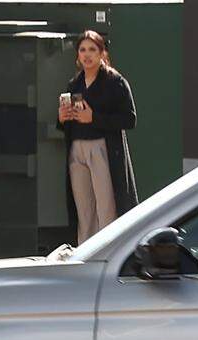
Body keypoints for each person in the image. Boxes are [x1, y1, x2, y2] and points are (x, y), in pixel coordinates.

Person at [57, 30, 138, 245]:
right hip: (77, 151)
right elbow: (69, 123)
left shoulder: (115, 82)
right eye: (82, 50)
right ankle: (85, 255)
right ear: (77, 56)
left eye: (92, 49)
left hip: (102, 149)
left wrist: (94, 118)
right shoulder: (74, 84)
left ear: (102, 53)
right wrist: (63, 118)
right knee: (84, 212)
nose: (87, 55)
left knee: (106, 210)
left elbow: (129, 119)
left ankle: (109, 254)